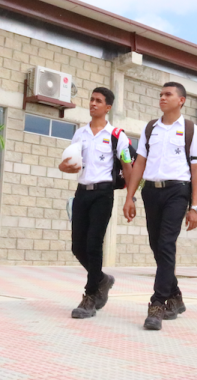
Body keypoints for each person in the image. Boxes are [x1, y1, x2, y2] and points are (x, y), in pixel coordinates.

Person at [123, 82, 197, 331]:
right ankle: (176, 295)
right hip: (151, 192)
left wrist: (195, 206)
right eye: (160, 94)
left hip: (177, 191)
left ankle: (158, 304)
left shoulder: (191, 130)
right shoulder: (151, 128)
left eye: (168, 94)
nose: (162, 98)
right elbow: (139, 163)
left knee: (167, 244)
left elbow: (196, 168)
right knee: (157, 246)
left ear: (181, 100)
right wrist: (130, 196)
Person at [59, 87, 133, 319]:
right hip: (81, 193)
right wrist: (63, 167)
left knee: (93, 244)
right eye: (91, 99)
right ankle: (102, 279)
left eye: (98, 101)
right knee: (77, 246)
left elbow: (129, 167)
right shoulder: (80, 133)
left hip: (103, 194)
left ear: (107, 107)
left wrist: (130, 198)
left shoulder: (117, 135)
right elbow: (67, 163)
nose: (93, 103)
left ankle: (90, 296)